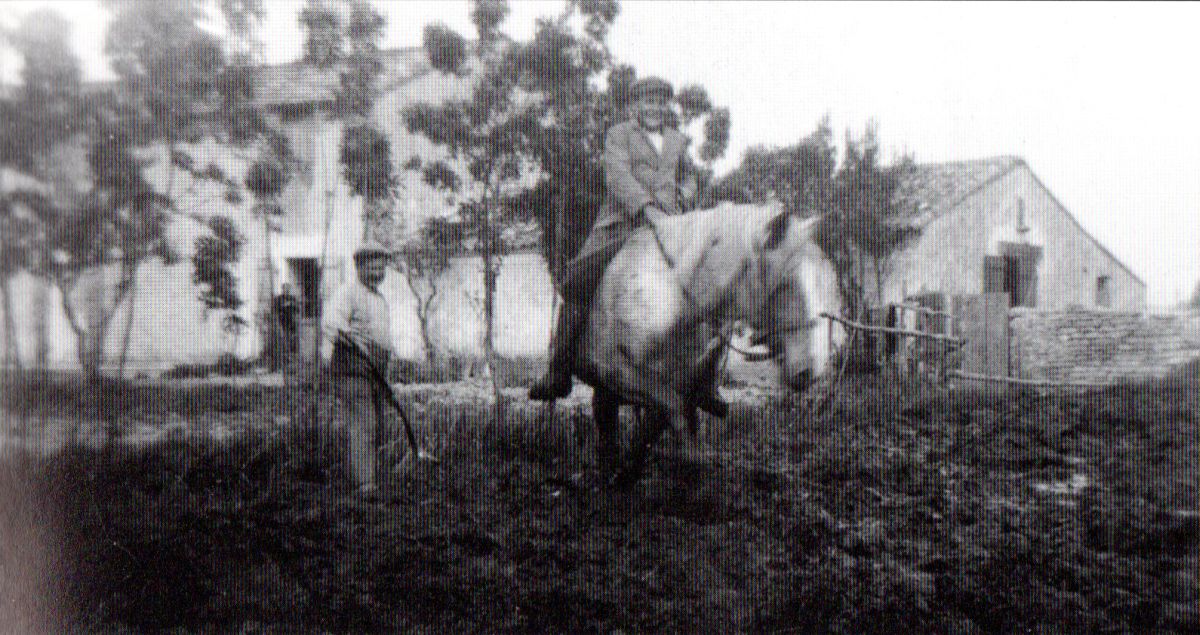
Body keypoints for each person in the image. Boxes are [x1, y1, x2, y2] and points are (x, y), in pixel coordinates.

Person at [529, 76, 710, 403]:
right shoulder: (619, 135)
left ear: (665, 106)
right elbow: (617, 176)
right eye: (646, 101)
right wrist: (645, 207)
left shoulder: (677, 141)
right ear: (634, 105)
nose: (654, 107)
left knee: (705, 281)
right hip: (621, 226)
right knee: (581, 280)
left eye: (659, 101)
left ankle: (705, 381)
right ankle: (558, 369)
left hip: (670, 228)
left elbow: (690, 177)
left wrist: (684, 197)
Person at [324, 237, 394, 495]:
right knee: (363, 424)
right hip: (353, 370)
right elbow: (331, 322)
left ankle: (371, 478)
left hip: (376, 371)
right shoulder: (347, 292)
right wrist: (355, 344)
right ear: (359, 267)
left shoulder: (379, 298)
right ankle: (365, 485)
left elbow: (381, 335)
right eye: (373, 268)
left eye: (381, 269)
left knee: (378, 425)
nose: (378, 273)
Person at [269, 283, 300, 370]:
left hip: (292, 322)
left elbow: (298, 308)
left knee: (292, 339)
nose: (286, 290)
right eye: (285, 289)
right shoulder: (278, 298)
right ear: (282, 289)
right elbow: (274, 309)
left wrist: (292, 305)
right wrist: (283, 306)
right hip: (281, 322)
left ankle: (291, 358)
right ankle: (283, 360)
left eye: (288, 289)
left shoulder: (292, 298)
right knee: (283, 340)